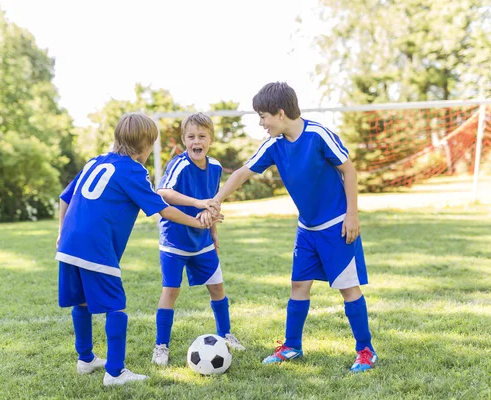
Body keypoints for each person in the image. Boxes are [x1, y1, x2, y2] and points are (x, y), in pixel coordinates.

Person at [213, 82, 377, 372]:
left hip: (337, 227)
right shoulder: (274, 145)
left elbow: (349, 171)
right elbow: (241, 174)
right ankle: (292, 346)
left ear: (280, 112)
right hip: (307, 230)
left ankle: (365, 350)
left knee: (348, 289)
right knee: (299, 285)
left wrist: (353, 215)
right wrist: (216, 200)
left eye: (263, 116)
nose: (261, 123)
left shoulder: (317, 134)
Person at [55, 112, 222, 386]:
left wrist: (61, 233)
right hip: (96, 246)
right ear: (145, 146)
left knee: (82, 301)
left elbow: (65, 196)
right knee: (116, 307)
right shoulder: (133, 171)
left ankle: (85, 359)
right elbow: (164, 209)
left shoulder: (95, 161)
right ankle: (116, 373)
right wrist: (198, 221)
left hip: (69, 244)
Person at [151, 112, 245, 367]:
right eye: (191, 136)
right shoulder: (179, 164)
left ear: (210, 140)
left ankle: (225, 334)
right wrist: (196, 203)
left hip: (202, 241)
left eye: (202, 136)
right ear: (184, 140)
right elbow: (163, 192)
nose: (196, 141)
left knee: (217, 287)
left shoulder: (214, 167)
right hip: (174, 241)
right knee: (171, 290)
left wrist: (213, 230)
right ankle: (161, 345)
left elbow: (212, 200)